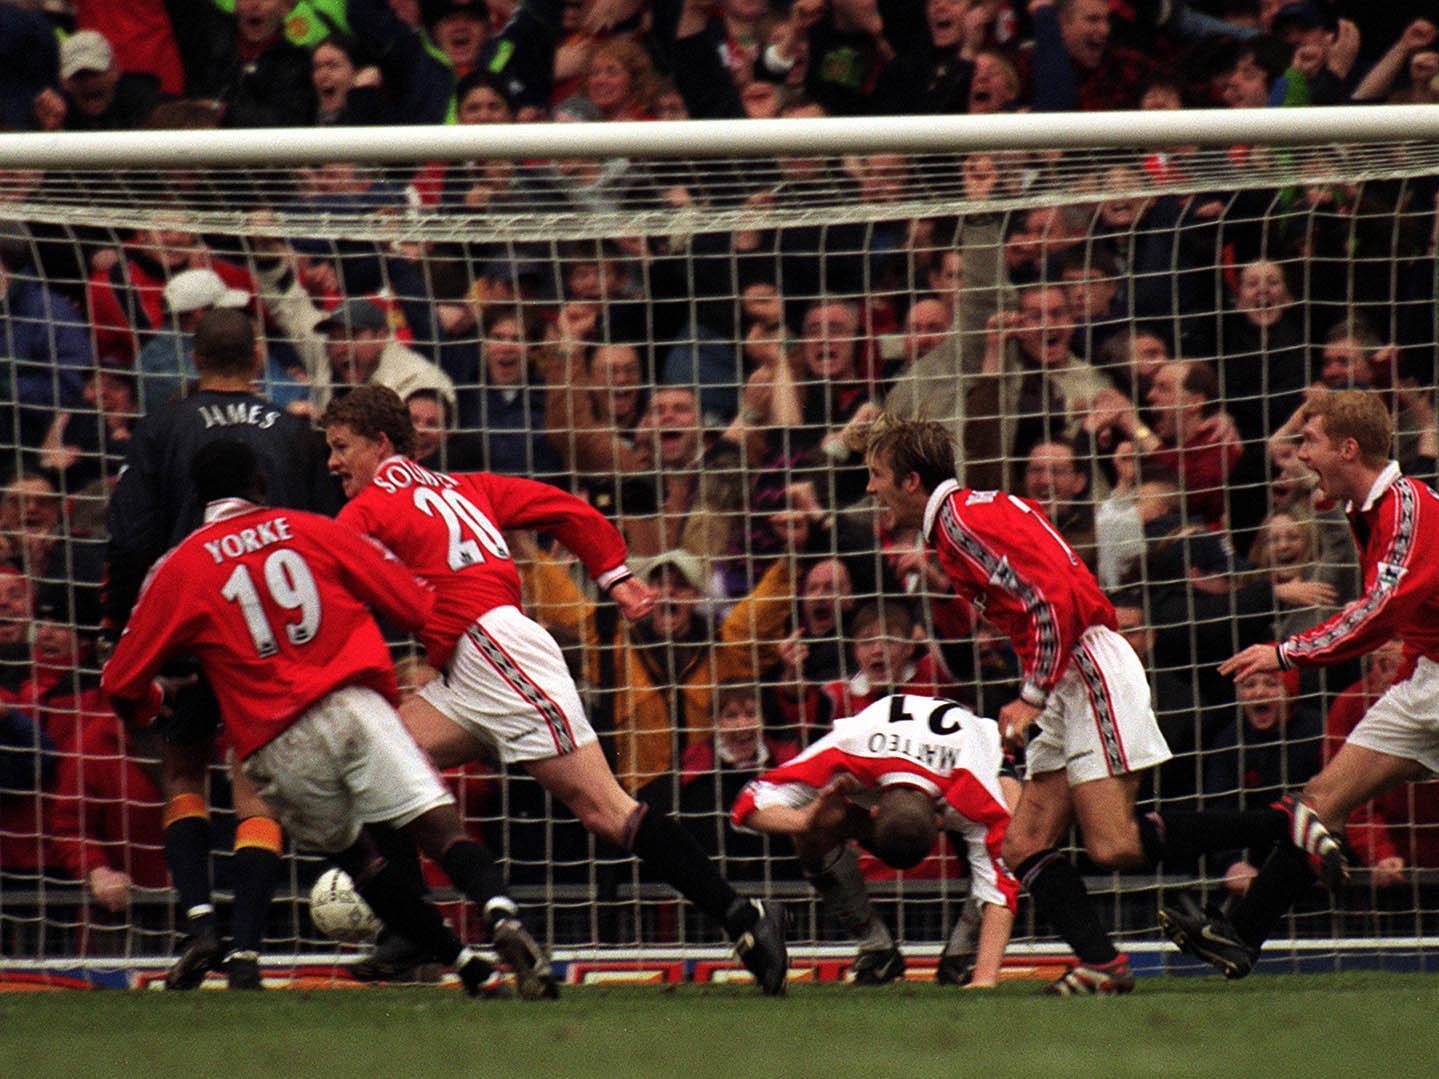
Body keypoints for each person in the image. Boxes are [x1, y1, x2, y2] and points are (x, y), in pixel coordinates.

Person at [319, 384, 789, 995]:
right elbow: (565, 509)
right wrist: (615, 575)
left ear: (380, 445)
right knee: (369, 757)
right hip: (472, 664)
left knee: (605, 811)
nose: (333, 462)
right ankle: (411, 931)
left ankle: (743, 916)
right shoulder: (467, 486)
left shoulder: (366, 510)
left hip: (497, 652)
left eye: (340, 447)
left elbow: (334, 584)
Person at [863, 416, 1300, 994]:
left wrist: (1030, 697)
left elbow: (1053, 602)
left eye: (876, 475)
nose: (871, 489)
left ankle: (1284, 824)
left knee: (1112, 843)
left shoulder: (960, 523)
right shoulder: (968, 514)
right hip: (1070, 671)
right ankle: (1103, 963)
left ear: (911, 480)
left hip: (1084, 667)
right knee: (1023, 843)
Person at [102, 439, 549, 998]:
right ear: (260, 484)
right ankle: (501, 913)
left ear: (198, 499)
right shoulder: (314, 528)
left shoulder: (180, 567)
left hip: (275, 740)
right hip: (352, 702)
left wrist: (150, 706)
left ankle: (469, 968)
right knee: (438, 828)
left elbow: (119, 679)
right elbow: (412, 605)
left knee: (361, 862)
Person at [1164, 390, 1439, 979]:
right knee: (1320, 801)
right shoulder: (1364, 509)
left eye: (1310, 442)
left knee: (1318, 805)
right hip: (1427, 681)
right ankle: (1239, 936)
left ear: (1347, 448)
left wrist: (1284, 653)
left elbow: (1379, 611)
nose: (1302, 454)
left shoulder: (1406, 507)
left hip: (1429, 679)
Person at [105, 308, 335, 990]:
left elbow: (128, 536)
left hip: (186, 613)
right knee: (252, 780)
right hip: (269, 629)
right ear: (258, 357)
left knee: (182, 769)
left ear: (194, 356)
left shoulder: (162, 427)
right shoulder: (297, 435)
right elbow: (326, 532)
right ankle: (245, 951)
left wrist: (124, 628)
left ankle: (200, 920)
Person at [732, 692, 1019, 989]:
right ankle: (875, 947)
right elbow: (748, 803)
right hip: (883, 753)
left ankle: (964, 952)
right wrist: (806, 821)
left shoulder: (975, 793)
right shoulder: (847, 750)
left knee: (1016, 841)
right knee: (812, 832)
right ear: (872, 811)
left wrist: (985, 978)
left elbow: (1002, 885)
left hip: (976, 753)